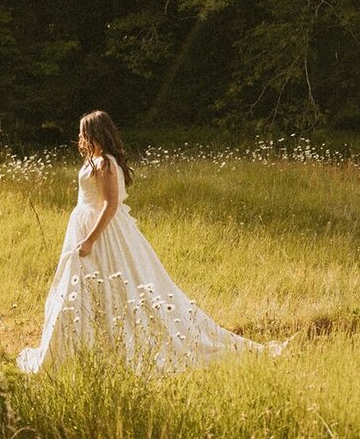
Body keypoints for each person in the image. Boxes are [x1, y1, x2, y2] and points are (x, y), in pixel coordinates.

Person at [17, 110, 282, 373]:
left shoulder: (104, 163)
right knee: (81, 287)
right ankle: (81, 345)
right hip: (86, 225)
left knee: (112, 286)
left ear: (94, 133)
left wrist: (89, 240)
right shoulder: (97, 160)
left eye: (83, 132)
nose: (80, 137)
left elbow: (109, 205)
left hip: (101, 232)